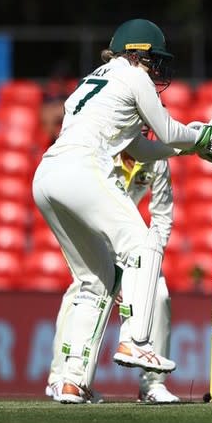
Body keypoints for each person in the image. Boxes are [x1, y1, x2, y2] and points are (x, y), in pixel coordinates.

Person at [32, 18, 212, 404]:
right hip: (82, 166)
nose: (157, 70)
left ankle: (71, 382)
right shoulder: (133, 75)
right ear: (138, 53)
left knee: (95, 279)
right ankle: (135, 340)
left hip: (46, 177)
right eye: (154, 60)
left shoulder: (95, 80)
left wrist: (190, 146)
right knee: (143, 244)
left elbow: (140, 148)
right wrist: (203, 137)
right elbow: (165, 129)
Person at [45, 148, 179, 403]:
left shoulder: (156, 157)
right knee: (82, 289)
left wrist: (145, 266)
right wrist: (109, 266)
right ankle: (61, 378)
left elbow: (162, 219)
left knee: (158, 294)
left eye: (149, 128)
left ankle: (152, 385)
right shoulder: (101, 151)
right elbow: (81, 208)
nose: (145, 134)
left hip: (133, 245)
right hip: (95, 239)